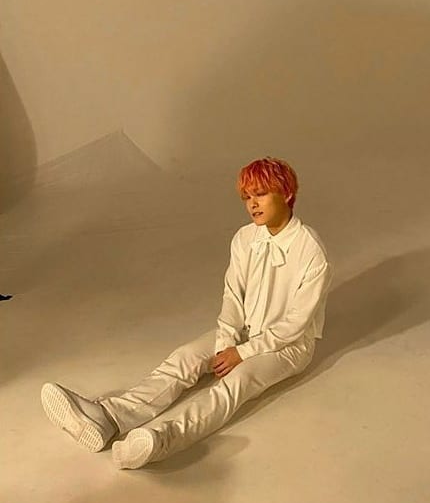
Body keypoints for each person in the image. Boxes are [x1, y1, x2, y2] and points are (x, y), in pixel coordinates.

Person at [40, 157, 332, 470]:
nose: (252, 204)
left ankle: (163, 438)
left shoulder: (311, 250)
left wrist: (242, 353)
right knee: (185, 357)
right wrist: (227, 342)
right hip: (246, 331)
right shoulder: (244, 238)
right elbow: (233, 296)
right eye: (246, 197)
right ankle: (109, 417)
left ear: (286, 194)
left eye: (260, 194)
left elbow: (295, 324)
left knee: (237, 383)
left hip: (288, 346)